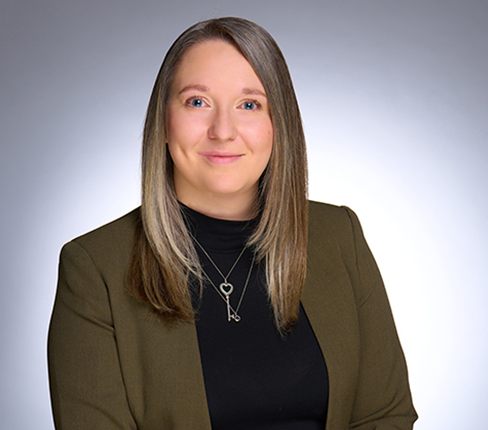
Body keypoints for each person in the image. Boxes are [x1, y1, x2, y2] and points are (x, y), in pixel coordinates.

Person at [48, 17, 417, 430]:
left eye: (249, 105)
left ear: (280, 125)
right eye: (197, 102)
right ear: (163, 123)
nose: (223, 131)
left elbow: (386, 416)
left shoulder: (339, 235)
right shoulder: (95, 266)